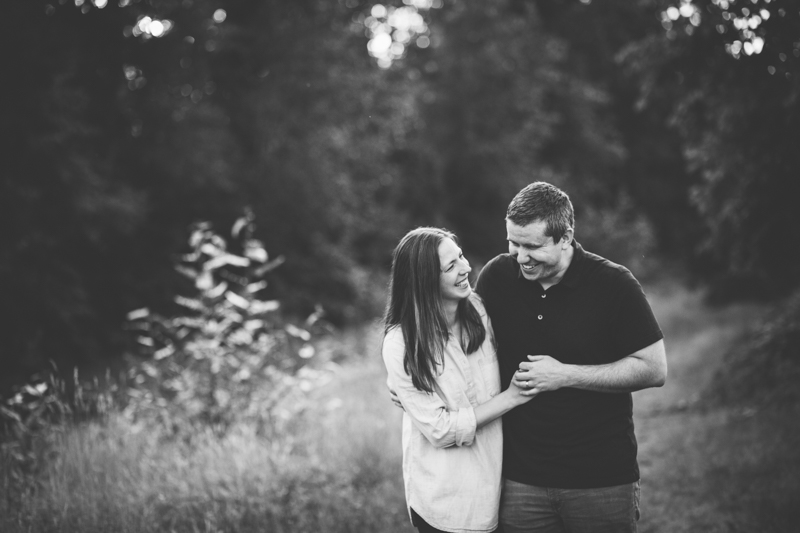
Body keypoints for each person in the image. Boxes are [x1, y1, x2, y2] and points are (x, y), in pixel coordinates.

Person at [474, 181, 667, 533]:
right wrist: (416, 380)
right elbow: (461, 345)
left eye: (532, 246)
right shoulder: (496, 278)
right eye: (513, 243)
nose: (520, 257)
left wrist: (565, 375)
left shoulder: (614, 284)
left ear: (566, 237)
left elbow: (654, 369)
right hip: (518, 480)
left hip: (601, 479)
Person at [382, 227, 534, 533]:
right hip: (443, 503)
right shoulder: (401, 343)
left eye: (460, 256)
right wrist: (511, 397)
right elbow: (439, 431)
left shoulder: (478, 309)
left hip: (495, 488)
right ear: (425, 281)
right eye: (451, 266)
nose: (466, 268)